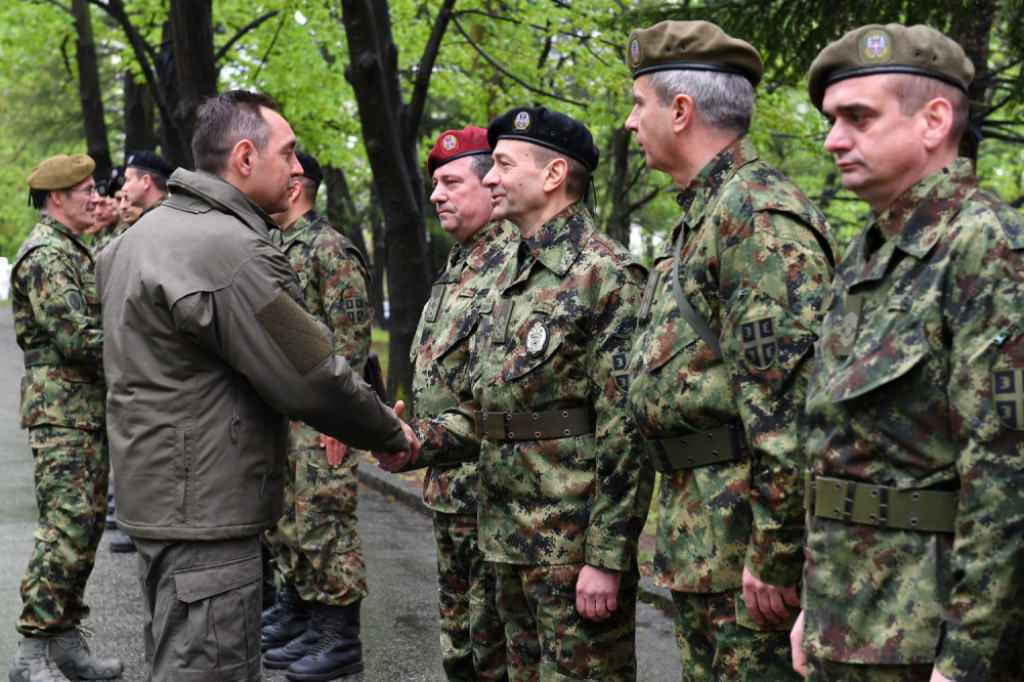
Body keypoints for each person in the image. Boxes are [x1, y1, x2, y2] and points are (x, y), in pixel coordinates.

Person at [95, 90, 416, 682]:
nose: (298, 169)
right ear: (245, 157)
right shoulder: (232, 253)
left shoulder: (130, 243)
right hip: (206, 516)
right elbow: (311, 373)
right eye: (289, 153)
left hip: (159, 503)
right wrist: (388, 431)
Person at [791, 23, 1024, 682]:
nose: (834, 138)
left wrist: (966, 661)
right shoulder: (870, 254)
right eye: (832, 120)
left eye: (857, 118)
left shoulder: (988, 249)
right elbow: (845, 452)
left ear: (934, 121)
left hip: (927, 640)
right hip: (851, 617)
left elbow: (1006, 480)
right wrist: (818, 602)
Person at [390, 107, 652, 681]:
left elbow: (626, 431)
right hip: (503, 537)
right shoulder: (508, 276)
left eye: (503, 165)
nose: (489, 178)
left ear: (553, 175)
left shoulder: (606, 275)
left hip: (569, 547)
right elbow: (490, 415)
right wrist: (416, 443)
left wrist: (606, 559)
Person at [622, 20, 837, 681]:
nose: (630, 123)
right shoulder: (706, 215)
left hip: (744, 549)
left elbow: (789, 405)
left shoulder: (757, 217)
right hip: (703, 535)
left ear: (680, 111)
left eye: (638, 104)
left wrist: (775, 555)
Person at [260, 150, 375, 679]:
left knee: (325, 520)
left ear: (298, 184)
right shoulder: (276, 244)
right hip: (286, 408)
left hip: (321, 413)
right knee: (289, 519)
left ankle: (338, 632)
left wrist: (342, 418)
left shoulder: (330, 249)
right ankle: (302, 612)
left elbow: (350, 341)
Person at [9, 153, 123, 682]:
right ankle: (32, 650)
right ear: (58, 197)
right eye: (86, 189)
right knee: (65, 528)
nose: (95, 196)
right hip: (62, 414)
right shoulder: (46, 255)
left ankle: (65, 640)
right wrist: (147, 350)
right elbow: (77, 336)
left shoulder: (70, 249)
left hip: (83, 411)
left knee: (87, 524)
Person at [410, 126, 516, 681]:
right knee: (461, 646)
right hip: (451, 493)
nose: (436, 194)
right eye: (434, 184)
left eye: (451, 181)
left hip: (490, 497)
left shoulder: (509, 269)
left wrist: (415, 443)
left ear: (489, 187)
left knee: (491, 648)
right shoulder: (458, 267)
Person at [121, 150, 173, 219]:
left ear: (146, 181)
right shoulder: (159, 213)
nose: (123, 188)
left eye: (128, 180)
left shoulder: (163, 217)